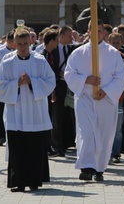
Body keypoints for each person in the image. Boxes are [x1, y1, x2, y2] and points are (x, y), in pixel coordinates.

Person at [64, 19, 124, 182]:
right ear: (88, 31)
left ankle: (99, 167)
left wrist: (106, 91)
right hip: (85, 97)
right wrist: (85, 80)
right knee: (87, 133)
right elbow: (69, 74)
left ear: (104, 33)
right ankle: (86, 167)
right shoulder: (78, 53)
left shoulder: (113, 53)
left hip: (105, 100)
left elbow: (120, 76)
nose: (97, 34)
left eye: (100, 31)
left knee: (104, 134)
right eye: (94, 30)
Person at [0, 28, 56, 192]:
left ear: (31, 43)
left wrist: (32, 82)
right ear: (14, 43)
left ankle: (34, 181)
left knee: (34, 148)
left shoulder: (39, 60)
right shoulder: (7, 62)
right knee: (18, 149)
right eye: (19, 44)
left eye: (25, 44)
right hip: (16, 113)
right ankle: (19, 182)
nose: (22, 47)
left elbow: (50, 82)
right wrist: (16, 84)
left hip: (35, 113)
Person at [49, 25, 76, 157]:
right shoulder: (53, 50)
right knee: (57, 116)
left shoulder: (71, 49)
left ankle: (67, 143)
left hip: (70, 85)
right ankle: (57, 146)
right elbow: (50, 67)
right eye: (69, 35)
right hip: (58, 85)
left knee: (70, 115)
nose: (72, 38)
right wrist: (57, 75)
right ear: (62, 36)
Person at [107, 32, 124, 164]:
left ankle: (115, 152)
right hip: (105, 97)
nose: (115, 45)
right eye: (113, 42)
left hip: (120, 97)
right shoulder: (103, 57)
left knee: (118, 128)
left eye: (117, 43)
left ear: (121, 44)